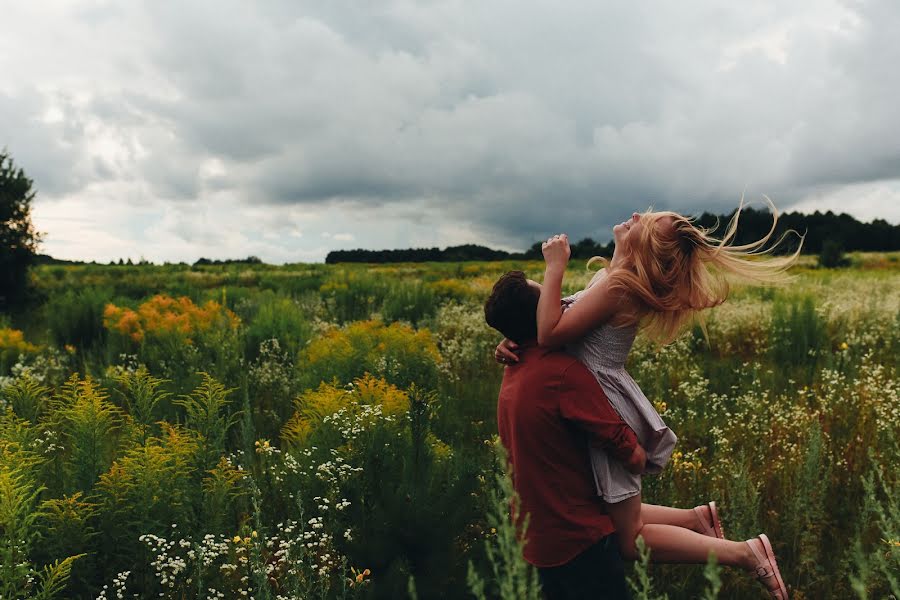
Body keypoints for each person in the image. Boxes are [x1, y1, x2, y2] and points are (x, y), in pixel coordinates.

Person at [495, 202, 797, 599]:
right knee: (604, 509)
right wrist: (512, 340)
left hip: (601, 406)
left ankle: (745, 553)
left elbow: (550, 333)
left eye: (648, 221)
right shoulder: (620, 277)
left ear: (647, 247)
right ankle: (697, 518)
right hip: (589, 400)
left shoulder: (620, 286)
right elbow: (561, 313)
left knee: (628, 537)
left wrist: (554, 267)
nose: (639, 215)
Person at [485, 271, 730, 600]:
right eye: (551, 298)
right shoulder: (561, 372)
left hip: (537, 535)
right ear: (540, 314)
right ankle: (733, 546)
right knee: (626, 538)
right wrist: (637, 456)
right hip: (577, 539)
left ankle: (696, 518)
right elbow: (617, 439)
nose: (560, 301)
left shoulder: (514, 366)